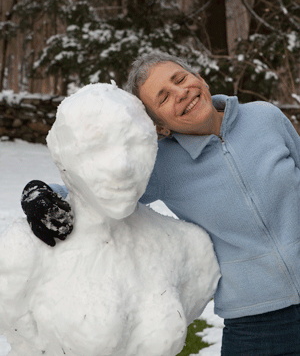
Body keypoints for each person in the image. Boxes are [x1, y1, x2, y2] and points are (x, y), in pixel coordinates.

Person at [21, 51, 300, 356]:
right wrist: (39, 193)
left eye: (180, 79)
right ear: (160, 127)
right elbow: (93, 193)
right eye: (164, 97)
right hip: (256, 326)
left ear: (200, 79)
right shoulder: (161, 164)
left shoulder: (265, 118)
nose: (182, 93)